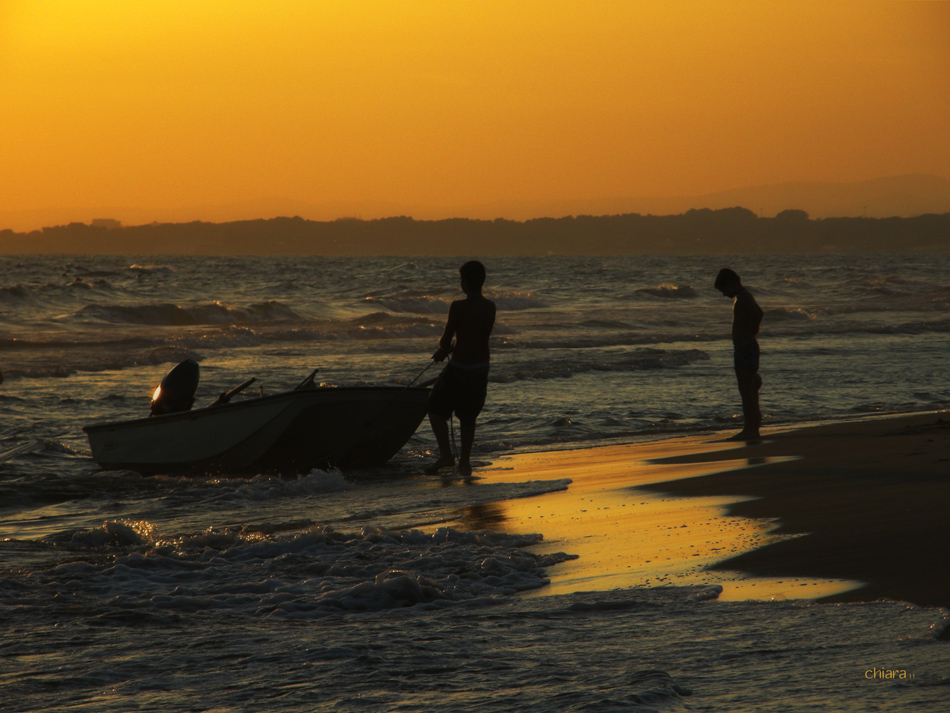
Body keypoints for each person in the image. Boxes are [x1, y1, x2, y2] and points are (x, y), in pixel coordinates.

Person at [425, 260, 496, 476]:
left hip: (460, 368)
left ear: (465, 282)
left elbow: (447, 341)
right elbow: (473, 338)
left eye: (460, 279)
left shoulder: (457, 307)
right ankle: (464, 462)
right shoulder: (490, 307)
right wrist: (450, 349)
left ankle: (446, 455)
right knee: (468, 417)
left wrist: (442, 350)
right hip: (481, 369)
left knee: (435, 408)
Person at [715, 268, 763, 440]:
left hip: (745, 349)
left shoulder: (743, 297)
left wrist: (747, 339)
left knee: (746, 389)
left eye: (723, 290)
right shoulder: (744, 296)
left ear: (730, 284)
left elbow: (757, 314)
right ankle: (751, 428)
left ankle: (750, 430)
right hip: (745, 348)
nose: (724, 294)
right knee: (748, 387)